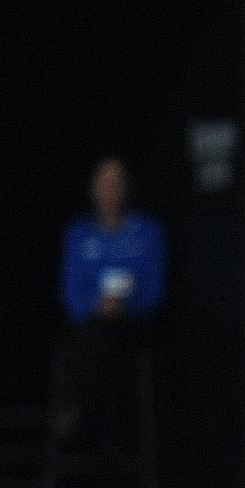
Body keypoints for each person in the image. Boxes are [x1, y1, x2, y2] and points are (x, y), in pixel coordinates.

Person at [52, 154, 167, 449]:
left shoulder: (147, 232)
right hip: (90, 326)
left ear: (126, 188)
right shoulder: (78, 235)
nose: (110, 190)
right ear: (92, 189)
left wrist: (124, 306)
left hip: (135, 326)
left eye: (116, 182)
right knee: (96, 337)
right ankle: (103, 441)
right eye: (104, 183)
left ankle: (81, 418)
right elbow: (72, 296)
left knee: (111, 341)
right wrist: (98, 306)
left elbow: (153, 290)